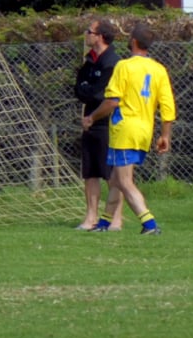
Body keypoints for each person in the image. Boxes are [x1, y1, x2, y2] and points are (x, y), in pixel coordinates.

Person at [82, 21, 174, 234]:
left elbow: (113, 101)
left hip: (124, 129)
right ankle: (104, 223)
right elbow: (168, 106)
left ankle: (149, 223)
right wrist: (165, 136)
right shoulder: (159, 69)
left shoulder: (124, 66)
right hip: (144, 130)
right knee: (115, 179)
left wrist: (92, 117)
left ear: (133, 42)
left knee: (124, 181)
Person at [73, 20, 125, 232]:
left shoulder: (112, 63)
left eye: (89, 32)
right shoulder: (89, 62)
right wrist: (88, 94)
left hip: (107, 124)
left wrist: (93, 114)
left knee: (112, 173)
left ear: (100, 36)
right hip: (90, 122)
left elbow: (103, 95)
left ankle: (116, 218)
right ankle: (91, 217)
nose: (86, 35)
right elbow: (79, 90)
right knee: (90, 172)